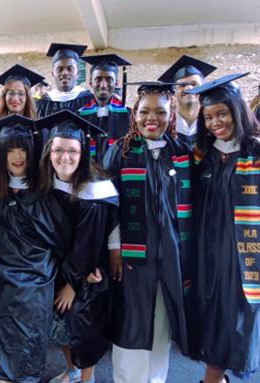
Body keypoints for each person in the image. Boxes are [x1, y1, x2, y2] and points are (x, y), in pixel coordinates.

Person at [102, 82, 194, 383]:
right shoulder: (121, 152)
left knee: (161, 326)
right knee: (131, 324)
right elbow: (107, 205)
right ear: (134, 114)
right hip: (132, 259)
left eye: (160, 111)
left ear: (171, 115)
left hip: (170, 257)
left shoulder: (181, 153)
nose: (151, 118)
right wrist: (115, 246)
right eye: (144, 111)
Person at [185, 73, 260, 383]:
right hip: (206, 248)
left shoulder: (255, 152)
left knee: (239, 317)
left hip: (242, 252)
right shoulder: (201, 155)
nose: (215, 122)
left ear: (236, 111)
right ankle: (216, 374)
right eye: (208, 116)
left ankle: (213, 377)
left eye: (222, 113)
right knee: (210, 313)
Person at [0, 114, 63, 383]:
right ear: (1, 154)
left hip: (36, 280)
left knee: (30, 340)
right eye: (10, 150)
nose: (17, 156)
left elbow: (59, 238)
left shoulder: (45, 190)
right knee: (3, 338)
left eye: (23, 149)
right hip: (2, 277)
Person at [38, 110, 117, 383]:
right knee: (60, 325)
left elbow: (88, 244)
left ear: (82, 153)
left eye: (72, 150)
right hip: (58, 265)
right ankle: (71, 370)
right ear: (49, 152)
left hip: (86, 270)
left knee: (84, 325)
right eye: (58, 150)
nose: (65, 157)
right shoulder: (47, 184)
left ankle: (87, 378)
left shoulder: (93, 189)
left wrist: (72, 284)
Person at [78, 54, 132, 163]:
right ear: (90, 83)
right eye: (98, 79)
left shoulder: (129, 115)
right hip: (88, 174)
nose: (103, 85)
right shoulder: (79, 116)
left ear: (116, 83)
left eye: (109, 79)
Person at [158, 55, 217, 147]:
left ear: (204, 88)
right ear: (174, 92)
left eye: (194, 84)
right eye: (182, 85)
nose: (189, 88)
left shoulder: (214, 125)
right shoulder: (163, 125)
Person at [36, 43, 94, 119]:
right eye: (60, 69)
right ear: (53, 73)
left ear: (78, 73)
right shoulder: (43, 102)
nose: (65, 73)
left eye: (70, 69)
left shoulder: (90, 99)